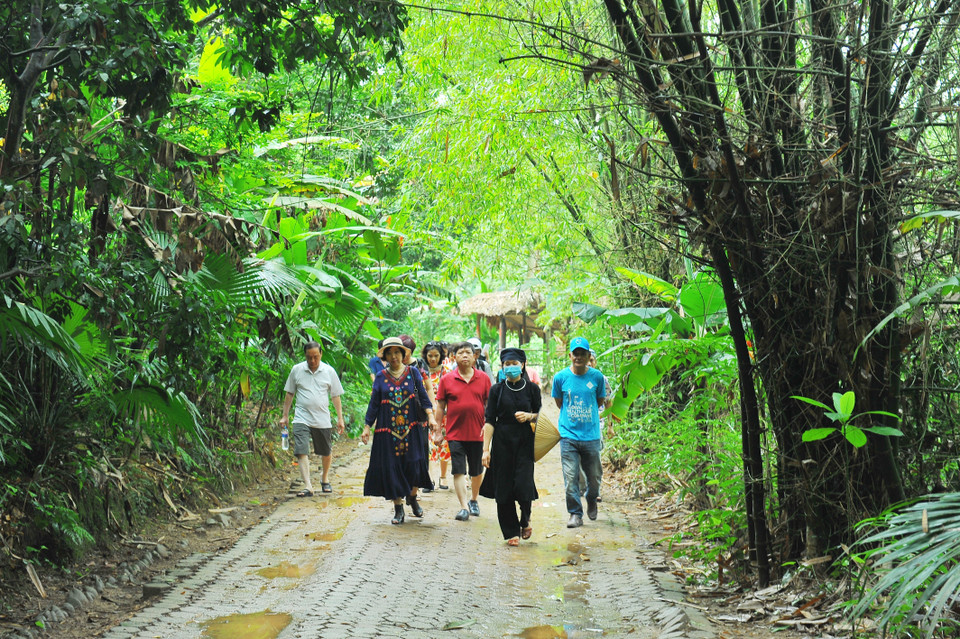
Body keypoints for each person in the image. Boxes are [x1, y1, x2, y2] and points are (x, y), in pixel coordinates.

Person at [361, 337, 438, 524]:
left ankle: (412, 496)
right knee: (391, 466)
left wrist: (431, 416)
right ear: (385, 356)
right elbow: (374, 403)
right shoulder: (380, 377)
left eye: (397, 352)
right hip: (387, 431)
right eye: (389, 353)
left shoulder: (413, 372)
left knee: (414, 463)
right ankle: (398, 507)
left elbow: (423, 395)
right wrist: (367, 427)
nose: (393, 356)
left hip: (411, 429)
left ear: (403, 354)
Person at [480, 348, 541, 546]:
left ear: (522, 365)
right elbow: (490, 420)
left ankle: (525, 519)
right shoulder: (496, 390)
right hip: (502, 443)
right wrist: (486, 449)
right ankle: (510, 531)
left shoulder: (532, 390)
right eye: (507, 364)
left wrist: (529, 416)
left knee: (523, 484)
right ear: (502, 366)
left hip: (525, 442)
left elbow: (540, 416)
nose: (511, 367)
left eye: (515, 363)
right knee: (503, 487)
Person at [552, 336, 606, 528]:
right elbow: (560, 403)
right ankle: (575, 513)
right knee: (570, 477)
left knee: (594, 477)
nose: (579, 357)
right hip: (568, 436)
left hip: (591, 435)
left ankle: (591, 498)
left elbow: (599, 401)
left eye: (583, 353)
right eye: (576, 353)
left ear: (588, 355)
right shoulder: (560, 378)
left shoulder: (597, 377)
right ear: (570, 355)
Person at [280, 340, 346, 497]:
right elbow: (290, 393)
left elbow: (335, 396)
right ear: (305, 356)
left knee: (326, 451)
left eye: (316, 357)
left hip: (322, 418)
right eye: (309, 357)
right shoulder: (297, 370)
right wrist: (285, 416)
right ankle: (308, 485)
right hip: (301, 417)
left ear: (321, 354)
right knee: (301, 450)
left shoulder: (329, 371)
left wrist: (340, 418)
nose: (312, 360)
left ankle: (325, 478)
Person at [435, 341, 491, 521]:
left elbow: (489, 405)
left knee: (477, 471)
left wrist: (489, 425)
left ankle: (474, 499)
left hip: (478, 433)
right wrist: (438, 431)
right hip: (455, 433)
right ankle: (464, 507)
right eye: (460, 353)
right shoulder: (447, 379)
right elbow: (440, 406)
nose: (464, 355)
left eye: (468, 352)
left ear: (475, 356)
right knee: (458, 470)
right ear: (454, 357)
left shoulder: (484, 378)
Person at [419, 341, 450, 490]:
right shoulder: (420, 372)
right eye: (430, 355)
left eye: (436, 355)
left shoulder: (447, 371)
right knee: (429, 446)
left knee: (444, 445)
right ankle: (429, 478)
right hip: (427, 414)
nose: (433, 359)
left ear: (441, 356)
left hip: (445, 415)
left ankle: (443, 477)